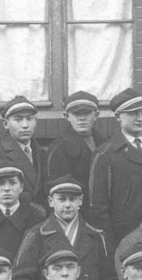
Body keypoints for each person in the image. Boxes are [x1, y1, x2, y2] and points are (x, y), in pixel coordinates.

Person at [13, 176, 113, 280]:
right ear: (51, 201)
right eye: (62, 199)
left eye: (72, 199)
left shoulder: (97, 236)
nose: (67, 205)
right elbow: (20, 279)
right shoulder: (36, 235)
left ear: (80, 201)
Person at [88, 89, 142, 247]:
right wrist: (110, 245)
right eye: (132, 113)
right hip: (123, 236)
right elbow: (98, 206)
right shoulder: (105, 154)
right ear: (118, 117)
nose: (139, 118)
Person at [0, 95, 47, 217]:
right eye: (18, 120)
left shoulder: (41, 153)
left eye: (29, 119)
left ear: (35, 122)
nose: (25, 125)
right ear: (6, 124)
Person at [45, 91, 107, 223]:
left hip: (104, 215)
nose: (82, 118)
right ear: (67, 116)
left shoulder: (106, 145)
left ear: (96, 115)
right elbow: (58, 192)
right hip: (76, 217)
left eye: (87, 113)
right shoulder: (59, 149)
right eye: (76, 114)